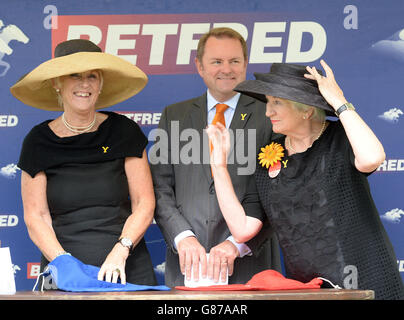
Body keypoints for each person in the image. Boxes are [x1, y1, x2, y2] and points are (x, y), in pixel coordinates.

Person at [206, 60, 404, 299]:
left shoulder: (340, 137)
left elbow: (372, 158)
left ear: (307, 110)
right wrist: (218, 165)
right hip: (310, 291)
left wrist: (339, 102)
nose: (268, 111)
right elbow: (242, 228)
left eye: (277, 102)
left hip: (367, 281)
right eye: (268, 102)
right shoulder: (267, 154)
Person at [11, 39, 157, 286]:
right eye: (74, 75)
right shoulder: (38, 141)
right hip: (64, 272)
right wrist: (64, 263)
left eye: (92, 76)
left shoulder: (124, 131)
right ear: (57, 83)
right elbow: (36, 217)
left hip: (125, 267)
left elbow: (144, 203)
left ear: (100, 84)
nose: (84, 83)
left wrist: (120, 251)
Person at [149, 27, 281, 287]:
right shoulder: (174, 115)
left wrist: (237, 244)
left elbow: (280, 195)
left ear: (245, 64)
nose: (226, 69)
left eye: (234, 61)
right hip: (188, 263)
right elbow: (159, 188)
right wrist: (182, 236)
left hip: (250, 266)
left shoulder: (272, 114)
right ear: (200, 66)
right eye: (217, 62)